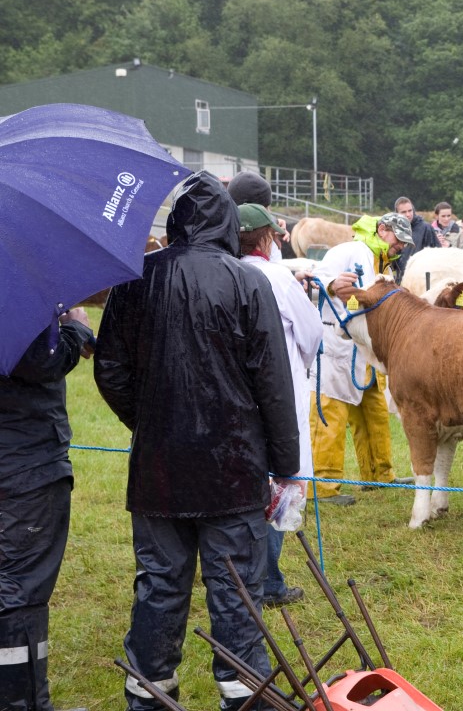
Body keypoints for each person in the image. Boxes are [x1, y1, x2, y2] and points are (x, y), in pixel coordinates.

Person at [94, 173, 301, 711]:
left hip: (170, 467)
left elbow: (111, 370)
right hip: (229, 467)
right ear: (228, 223)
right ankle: (236, 693)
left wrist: (152, 425)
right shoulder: (243, 282)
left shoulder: (141, 279)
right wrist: (285, 465)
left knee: (161, 584)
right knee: (234, 587)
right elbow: (274, 384)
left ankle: (154, 693)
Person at [1, 310, 93, 711]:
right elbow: (40, 359)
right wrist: (74, 329)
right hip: (23, 464)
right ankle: (21, 703)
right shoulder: (14, 291)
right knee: (20, 589)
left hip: (19, 456)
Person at [237, 203, 324, 608]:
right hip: (278, 393)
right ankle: (268, 581)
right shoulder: (277, 277)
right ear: (266, 238)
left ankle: (238, 573)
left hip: (236, 396)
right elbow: (311, 333)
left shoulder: (226, 271)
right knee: (277, 481)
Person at [309, 212, 413, 506]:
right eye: (398, 239)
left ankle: (379, 474)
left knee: (375, 412)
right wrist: (333, 284)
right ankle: (323, 486)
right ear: (382, 229)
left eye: (404, 243)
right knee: (330, 414)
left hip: (366, 351)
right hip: (337, 347)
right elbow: (316, 278)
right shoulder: (348, 250)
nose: (401, 246)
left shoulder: (384, 265)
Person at [227, 171, 291, 262]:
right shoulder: (266, 244)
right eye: (266, 209)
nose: (269, 213)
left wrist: (274, 222)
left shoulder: (220, 234)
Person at [393, 197, 440, 284]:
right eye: (403, 212)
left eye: (410, 210)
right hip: (400, 280)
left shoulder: (426, 228)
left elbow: (437, 254)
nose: (408, 214)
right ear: (397, 214)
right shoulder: (394, 230)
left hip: (421, 280)